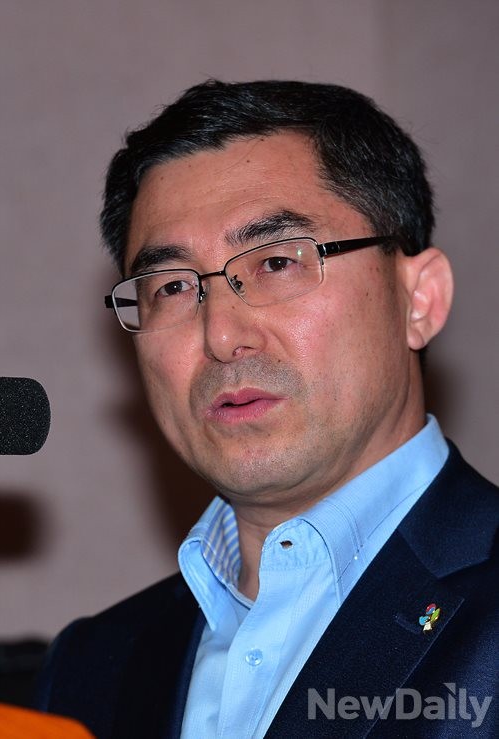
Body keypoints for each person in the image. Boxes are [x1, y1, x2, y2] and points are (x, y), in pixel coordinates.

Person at [35, 80, 497, 737]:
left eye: (277, 262)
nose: (221, 335)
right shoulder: (90, 667)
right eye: (172, 286)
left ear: (419, 299)